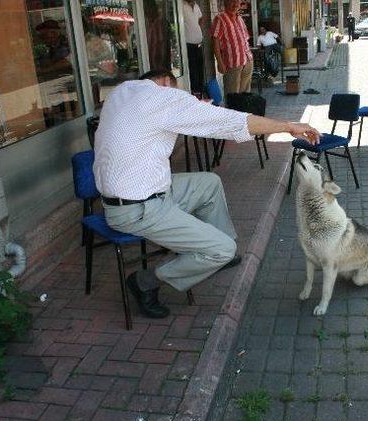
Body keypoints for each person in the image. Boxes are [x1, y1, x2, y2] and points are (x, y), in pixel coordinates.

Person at [93, 70, 320, 318]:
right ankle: (145, 281)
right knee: (219, 250)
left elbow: (149, 122)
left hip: (140, 190)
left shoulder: (122, 91)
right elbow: (230, 122)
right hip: (138, 209)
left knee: (209, 183)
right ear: (168, 83)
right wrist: (287, 126)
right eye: (179, 89)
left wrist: (191, 108)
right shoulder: (164, 98)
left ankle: (222, 249)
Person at [211, 0, 253, 95]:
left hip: (247, 61)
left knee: (246, 96)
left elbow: (245, 39)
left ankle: (244, 110)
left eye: (237, 2)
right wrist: (220, 62)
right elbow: (215, 41)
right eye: (232, 1)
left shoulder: (240, 18)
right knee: (233, 97)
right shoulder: (220, 18)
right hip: (233, 63)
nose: (235, 5)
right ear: (225, 2)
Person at [183, 0, 205, 95]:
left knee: (200, 70)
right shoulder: (181, 5)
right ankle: (195, 94)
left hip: (199, 44)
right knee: (193, 72)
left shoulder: (196, 5)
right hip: (188, 45)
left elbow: (201, 18)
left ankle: (200, 93)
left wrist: (197, 28)